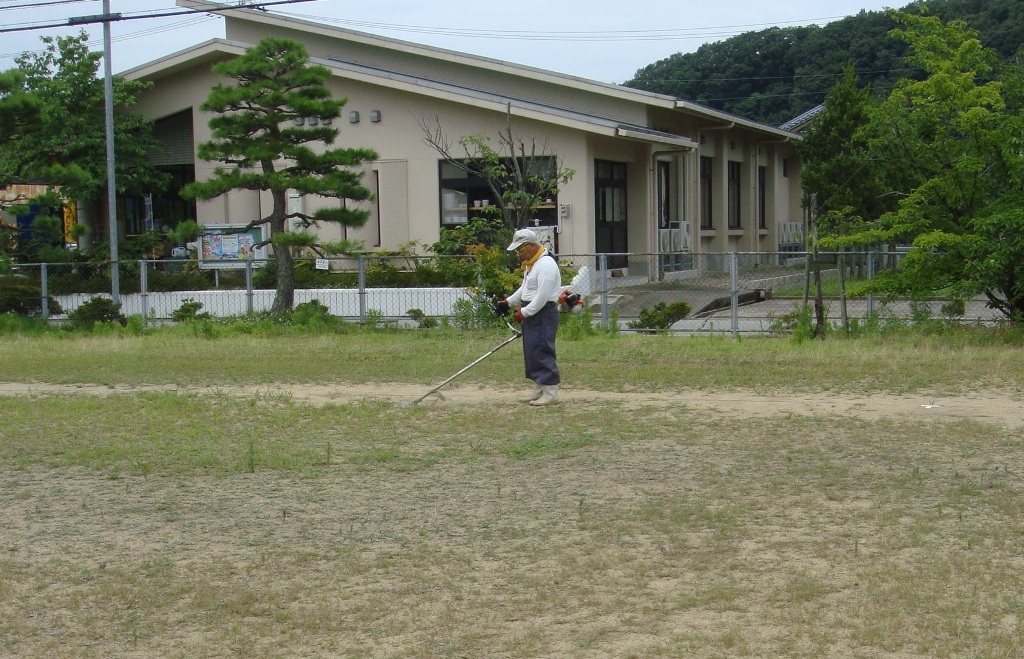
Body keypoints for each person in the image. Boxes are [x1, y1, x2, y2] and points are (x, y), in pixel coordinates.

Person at [498, 228, 562, 406]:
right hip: (533, 311)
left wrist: (525, 312)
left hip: (543, 312)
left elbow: (542, 296)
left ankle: (550, 393)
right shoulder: (532, 264)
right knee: (532, 351)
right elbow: (526, 288)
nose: (519, 253)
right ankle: (539, 388)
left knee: (542, 349)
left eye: (521, 249)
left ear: (532, 245)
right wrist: (508, 302)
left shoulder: (546, 264)